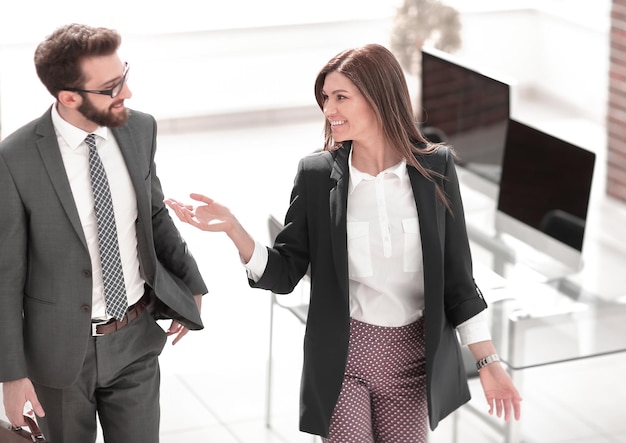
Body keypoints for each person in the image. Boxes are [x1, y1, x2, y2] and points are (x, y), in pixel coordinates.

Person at [165, 43, 522, 442]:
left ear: (379, 98)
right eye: (324, 98)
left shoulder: (435, 168)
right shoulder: (317, 175)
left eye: (340, 97)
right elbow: (285, 273)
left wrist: (487, 361)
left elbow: (458, 277)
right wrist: (235, 230)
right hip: (342, 362)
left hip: (414, 362)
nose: (328, 110)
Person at [0, 23, 208, 442]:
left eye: (124, 76)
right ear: (69, 97)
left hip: (135, 337)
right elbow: (5, 276)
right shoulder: (15, 158)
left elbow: (153, 214)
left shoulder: (139, 129)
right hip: (58, 355)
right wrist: (11, 374)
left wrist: (190, 283)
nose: (126, 93)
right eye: (112, 87)